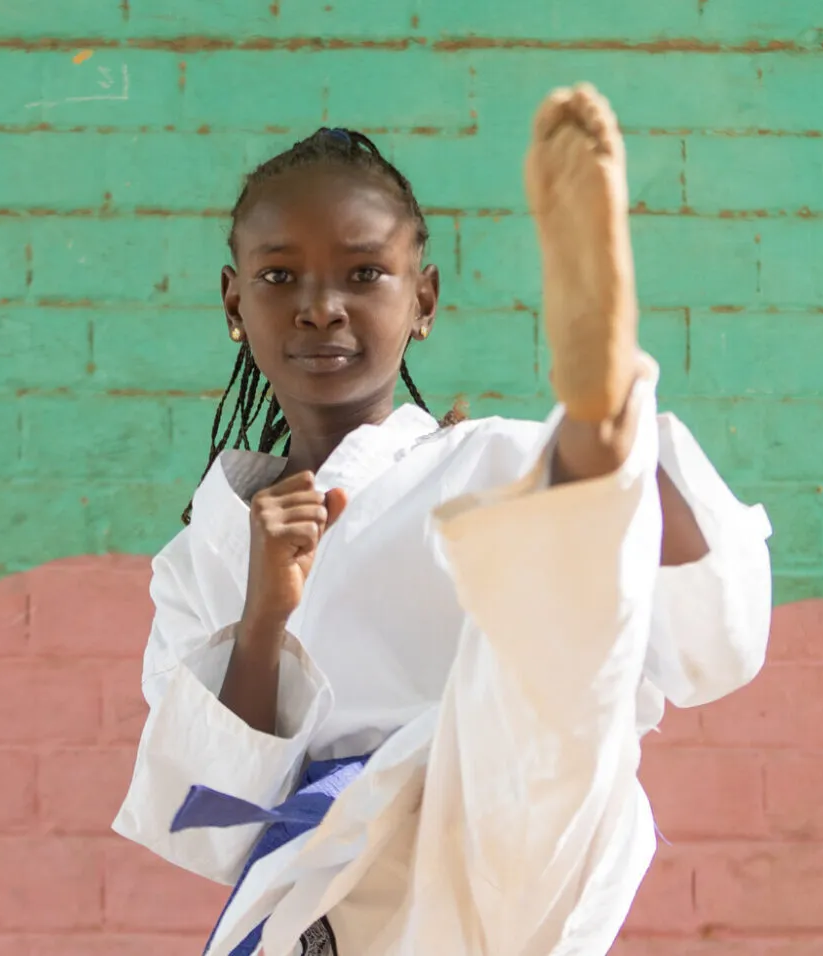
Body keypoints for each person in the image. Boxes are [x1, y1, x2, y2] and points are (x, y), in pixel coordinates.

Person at [113, 85, 773, 956]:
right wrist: (262, 618)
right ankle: (604, 449)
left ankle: (610, 422)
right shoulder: (203, 558)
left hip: (507, 810)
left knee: (529, 662)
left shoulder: (491, 462)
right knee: (533, 684)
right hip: (349, 892)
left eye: (363, 274)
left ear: (423, 300)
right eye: (280, 276)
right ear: (235, 304)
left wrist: (611, 458)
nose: (321, 306)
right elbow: (214, 824)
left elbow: (708, 653)